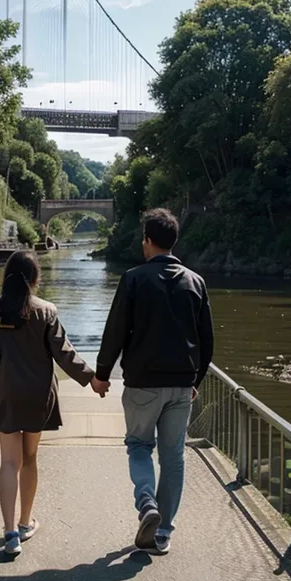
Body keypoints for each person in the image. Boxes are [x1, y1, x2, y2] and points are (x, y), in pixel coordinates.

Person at [93, 209, 214, 555]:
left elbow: (115, 331)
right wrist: (196, 379)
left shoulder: (133, 279)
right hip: (181, 384)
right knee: (174, 457)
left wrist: (102, 375)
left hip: (142, 383)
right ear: (174, 241)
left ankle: (147, 504)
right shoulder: (196, 282)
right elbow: (207, 341)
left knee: (139, 445)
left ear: (147, 240)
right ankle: (163, 534)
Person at [0, 251, 109, 557]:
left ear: (7, 276)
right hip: (37, 397)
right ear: (35, 279)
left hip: (5, 394)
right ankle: (25, 522)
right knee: (30, 458)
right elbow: (65, 353)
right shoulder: (46, 311)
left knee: (8, 462)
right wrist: (92, 380)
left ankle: (10, 534)